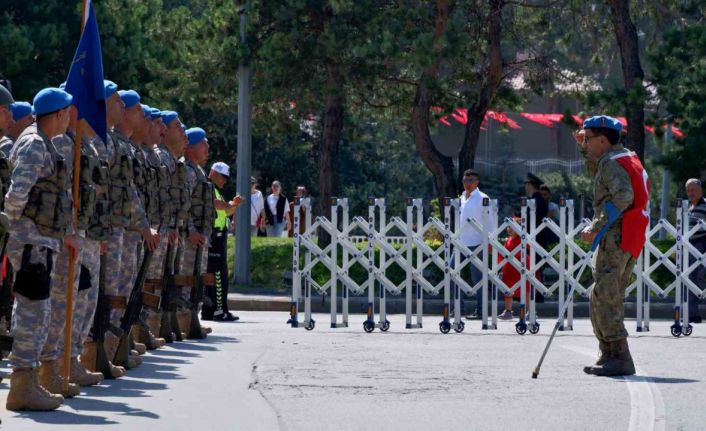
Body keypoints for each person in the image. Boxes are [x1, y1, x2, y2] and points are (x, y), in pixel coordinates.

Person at [4, 87, 75, 410]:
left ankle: (30, 380)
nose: (71, 118)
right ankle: (22, 385)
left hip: (40, 241)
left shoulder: (44, 143)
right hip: (30, 241)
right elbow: (16, 196)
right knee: (32, 311)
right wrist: (15, 233)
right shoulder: (35, 144)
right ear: (58, 114)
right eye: (68, 112)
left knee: (38, 310)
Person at [575, 115, 649, 377]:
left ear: (603, 140)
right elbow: (599, 174)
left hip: (616, 235)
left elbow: (623, 196)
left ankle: (618, 355)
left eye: (588, 138)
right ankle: (608, 353)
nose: (585, 142)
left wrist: (595, 226)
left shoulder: (612, 163)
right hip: (628, 235)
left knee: (606, 294)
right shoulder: (624, 158)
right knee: (602, 292)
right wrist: (584, 148)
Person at [180, 127, 216, 338]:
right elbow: (183, 204)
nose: (207, 148)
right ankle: (184, 320)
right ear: (191, 147)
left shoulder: (198, 171)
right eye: (203, 143)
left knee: (197, 279)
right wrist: (190, 231)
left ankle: (192, 319)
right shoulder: (188, 171)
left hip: (200, 238)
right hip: (190, 239)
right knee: (187, 280)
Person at [203, 161, 242, 322]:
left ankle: (209, 310)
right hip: (214, 236)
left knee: (214, 275)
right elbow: (216, 204)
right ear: (215, 173)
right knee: (219, 275)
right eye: (224, 177)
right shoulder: (208, 187)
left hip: (218, 236)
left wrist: (234, 205)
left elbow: (225, 211)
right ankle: (219, 311)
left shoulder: (216, 190)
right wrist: (229, 205)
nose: (225, 181)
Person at [458, 169, 490, 320]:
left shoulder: (483, 198)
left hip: (478, 243)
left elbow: (489, 222)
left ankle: (481, 310)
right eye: (465, 180)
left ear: (477, 182)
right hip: (461, 243)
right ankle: (458, 307)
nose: (467, 183)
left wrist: (488, 241)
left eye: (471, 180)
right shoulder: (462, 197)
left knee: (478, 279)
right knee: (452, 272)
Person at [497, 215, 531, 320]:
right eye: (509, 227)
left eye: (513, 227)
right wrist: (499, 265)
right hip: (509, 268)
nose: (510, 229)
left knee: (526, 289)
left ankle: (529, 310)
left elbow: (531, 247)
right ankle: (508, 311)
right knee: (508, 290)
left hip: (522, 265)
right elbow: (502, 254)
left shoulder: (524, 238)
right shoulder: (508, 240)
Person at [685, 178, 705, 323]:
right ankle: (693, 314)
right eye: (688, 190)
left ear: (701, 191)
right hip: (688, 245)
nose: (690, 193)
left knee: (697, 276)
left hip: (702, 243)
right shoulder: (688, 208)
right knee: (689, 278)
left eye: (693, 189)